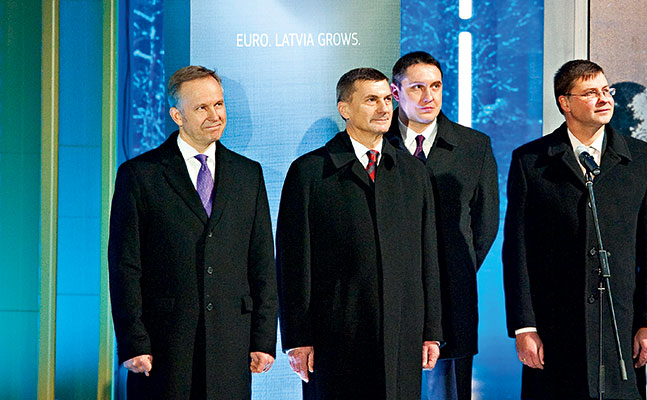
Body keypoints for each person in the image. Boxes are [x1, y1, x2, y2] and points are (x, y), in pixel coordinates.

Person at [502, 59, 647, 399]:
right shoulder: (531, 161)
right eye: (591, 92)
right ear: (565, 102)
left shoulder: (640, 159)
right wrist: (524, 325)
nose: (604, 98)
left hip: (619, 323)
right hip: (554, 324)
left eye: (606, 90)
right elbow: (517, 250)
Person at [108, 65, 278, 399]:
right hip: (163, 348)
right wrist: (133, 341)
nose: (215, 114)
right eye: (202, 107)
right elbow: (125, 267)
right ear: (177, 115)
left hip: (231, 347)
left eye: (219, 104)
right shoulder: (140, 175)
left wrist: (263, 339)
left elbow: (261, 263)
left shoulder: (248, 175)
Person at [276, 67, 442, 399]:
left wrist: (431, 331)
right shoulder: (309, 173)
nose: (384, 109)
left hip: (401, 334)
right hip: (334, 335)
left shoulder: (412, 173)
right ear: (345, 109)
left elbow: (427, 256)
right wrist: (297, 337)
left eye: (387, 99)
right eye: (371, 100)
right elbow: (293, 264)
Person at [384, 51, 500, 400]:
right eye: (417, 87)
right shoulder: (375, 145)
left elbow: (485, 224)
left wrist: (451, 267)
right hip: (388, 293)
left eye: (435, 86)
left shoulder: (474, 146)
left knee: (448, 390)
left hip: (453, 295)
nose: (428, 96)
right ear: (395, 92)